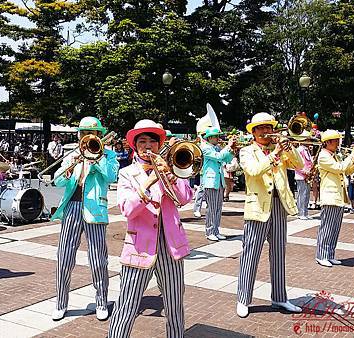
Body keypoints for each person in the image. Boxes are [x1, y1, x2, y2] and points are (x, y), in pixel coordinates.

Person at [108, 120, 193, 338]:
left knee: (175, 305)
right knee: (126, 304)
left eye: (152, 142)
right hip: (139, 247)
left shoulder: (171, 169)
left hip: (171, 247)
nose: (148, 146)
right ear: (135, 146)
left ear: (158, 145)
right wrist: (149, 182)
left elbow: (184, 199)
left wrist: (172, 177)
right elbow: (128, 209)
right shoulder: (127, 173)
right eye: (142, 141)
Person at [50, 117, 119, 321]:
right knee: (64, 258)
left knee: (98, 259)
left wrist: (96, 159)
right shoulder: (73, 154)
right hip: (71, 206)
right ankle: (61, 303)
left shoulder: (109, 155)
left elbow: (111, 176)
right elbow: (57, 180)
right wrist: (71, 164)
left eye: (92, 133)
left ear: (99, 135)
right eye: (84, 133)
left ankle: (101, 301)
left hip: (95, 209)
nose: (88, 137)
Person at [236, 112, 304, 318]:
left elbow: (300, 165)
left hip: (279, 205)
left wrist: (289, 147)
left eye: (269, 127)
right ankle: (243, 299)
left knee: (278, 254)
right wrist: (274, 153)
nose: (267, 131)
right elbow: (254, 170)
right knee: (251, 254)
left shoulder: (281, 149)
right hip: (257, 207)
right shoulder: (247, 151)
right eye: (262, 128)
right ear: (254, 132)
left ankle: (280, 297)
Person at [315, 130, 354, 267]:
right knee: (327, 228)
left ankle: (330, 254)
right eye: (335, 141)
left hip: (338, 196)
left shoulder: (334, 155)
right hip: (330, 196)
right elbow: (339, 168)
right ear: (327, 142)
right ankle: (321, 255)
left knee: (335, 228)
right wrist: (351, 155)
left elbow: (346, 171)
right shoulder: (323, 156)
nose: (338, 144)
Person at [200, 127, 235, 241]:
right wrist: (228, 146)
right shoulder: (205, 148)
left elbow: (227, 160)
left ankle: (216, 230)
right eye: (216, 136)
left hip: (219, 180)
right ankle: (209, 231)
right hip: (210, 181)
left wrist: (231, 150)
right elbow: (218, 157)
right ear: (210, 138)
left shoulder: (217, 147)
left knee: (218, 208)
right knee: (212, 208)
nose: (218, 138)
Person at [294, 136, 313, 220]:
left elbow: (309, 162)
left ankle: (305, 212)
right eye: (308, 140)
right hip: (301, 176)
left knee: (307, 195)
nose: (309, 141)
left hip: (308, 175)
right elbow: (297, 163)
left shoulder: (306, 150)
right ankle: (300, 213)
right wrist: (304, 171)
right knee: (302, 194)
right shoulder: (299, 150)